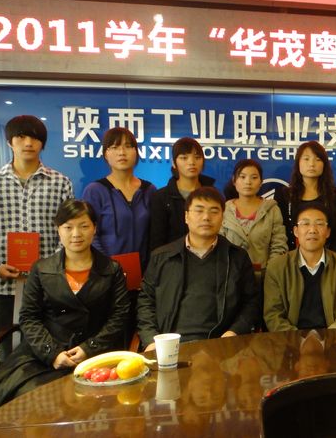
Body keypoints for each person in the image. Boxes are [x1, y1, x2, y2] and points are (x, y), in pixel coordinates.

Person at [0, 199, 130, 417]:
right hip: (44, 356)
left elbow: (119, 316)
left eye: (84, 226)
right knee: (29, 397)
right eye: (68, 227)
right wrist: (53, 354)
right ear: (58, 230)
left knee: (98, 404)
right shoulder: (41, 269)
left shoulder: (112, 269)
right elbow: (29, 318)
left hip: (95, 355)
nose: (76, 234)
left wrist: (89, 348)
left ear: (94, 228)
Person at [0, 115, 74, 361]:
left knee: (47, 349)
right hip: (2, 284)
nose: (28, 143)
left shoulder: (60, 183)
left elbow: (67, 232)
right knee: (7, 350)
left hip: (47, 285)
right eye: (21, 137)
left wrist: (48, 269)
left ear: (42, 143)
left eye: (35, 138)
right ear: (9, 142)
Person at [136, 187, 259, 350]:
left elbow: (251, 302)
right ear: (186, 216)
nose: (206, 217)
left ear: (223, 218)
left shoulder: (237, 257)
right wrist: (151, 340)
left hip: (220, 347)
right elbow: (146, 302)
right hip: (170, 346)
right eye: (199, 211)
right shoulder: (161, 257)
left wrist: (233, 332)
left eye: (214, 211)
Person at [264, 202, 336, 331]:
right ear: (296, 231)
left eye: (319, 224)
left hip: (332, 339)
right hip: (290, 340)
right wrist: (299, 340)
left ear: (328, 232)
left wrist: (326, 339)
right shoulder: (277, 267)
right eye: (305, 223)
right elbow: (273, 315)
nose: (312, 230)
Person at [82, 128, 156, 270]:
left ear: (136, 152)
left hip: (145, 272)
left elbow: (156, 234)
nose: (122, 152)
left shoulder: (149, 190)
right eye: (115, 147)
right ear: (106, 154)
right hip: (105, 272)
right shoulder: (95, 191)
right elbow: (89, 234)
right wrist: (108, 268)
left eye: (128, 146)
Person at [274, 141, 336, 254]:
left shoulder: (333, 194)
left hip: (326, 257)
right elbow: (279, 233)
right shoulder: (284, 195)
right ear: (298, 163)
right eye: (306, 159)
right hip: (291, 257)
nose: (312, 164)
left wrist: (330, 259)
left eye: (318, 159)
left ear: (324, 164)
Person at [219, 159, 287, 270]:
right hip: (231, 275)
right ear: (234, 181)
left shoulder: (272, 209)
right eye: (242, 177)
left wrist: (270, 273)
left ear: (261, 182)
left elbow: (279, 246)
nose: (248, 182)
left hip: (263, 275)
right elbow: (219, 246)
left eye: (254, 177)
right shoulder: (224, 210)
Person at [150, 137, 215, 251]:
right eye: (184, 158)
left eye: (197, 157)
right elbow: (157, 241)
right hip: (171, 259)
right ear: (174, 163)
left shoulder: (213, 196)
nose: (191, 162)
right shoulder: (161, 197)